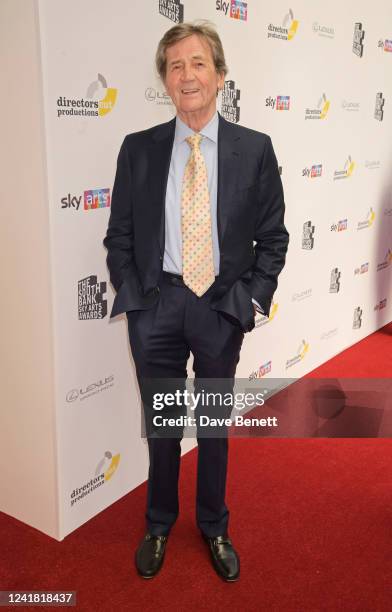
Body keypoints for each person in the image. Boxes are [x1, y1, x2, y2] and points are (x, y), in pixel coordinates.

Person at [103, 20, 289, 582]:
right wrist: (134, 300)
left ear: (220, 75)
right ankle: (159, 522)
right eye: (176, 66)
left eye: (198, 63)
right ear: (165, 80)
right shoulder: (138, 149)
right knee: (163, 426)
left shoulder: (254, 149)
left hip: (218, 308)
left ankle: (214, 526)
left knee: (212, 426)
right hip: (156, 305)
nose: (187, 75)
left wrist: (248, 301)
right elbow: (120, 238)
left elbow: (273, 239)